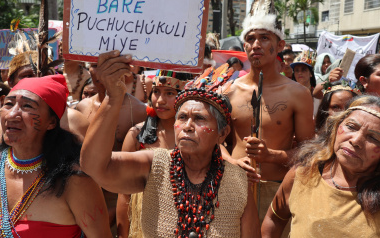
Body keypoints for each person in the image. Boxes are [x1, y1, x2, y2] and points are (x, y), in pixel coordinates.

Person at [81, 50, 261, 238]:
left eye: (199, 119)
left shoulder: (238, 182)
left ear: (223, 133)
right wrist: (113, 97)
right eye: (182, 117)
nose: (187, 126)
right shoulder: (155, 164)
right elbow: (93, 166)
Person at [262, 95, 380, 238]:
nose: (356, 140)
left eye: (373, 138)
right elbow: (274, 219)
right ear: (337, 126)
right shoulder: (303, 175)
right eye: (351, 127)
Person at [223, 0, 315, 236]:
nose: (256, 45)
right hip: (233, 187)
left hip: (279, 191)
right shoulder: (229, 91)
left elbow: (309, 152)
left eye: (264, 38)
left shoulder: (297, 94)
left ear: (280, 44)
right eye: (251, 39)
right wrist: (231, 161)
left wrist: (272, 155)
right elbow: (215, 141)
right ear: (244, 45)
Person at [0, 75, 111, 237]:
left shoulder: (75, 179)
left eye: (27, 106)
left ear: (52, 122)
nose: (12, 114)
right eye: (8, 104)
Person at [116, 70, 190, 238]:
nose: (160, 100)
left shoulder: (193, 136)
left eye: (170, 93)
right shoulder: (136, 135)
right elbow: (124, 193)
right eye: (156, 92)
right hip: (143, 224)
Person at [75, 62, 147, 233]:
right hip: (83, 198)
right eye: (95, 65)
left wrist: (118, 212)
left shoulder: (138, 111)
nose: (102, 71)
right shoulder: (82, 107)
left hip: (120, 199)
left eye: (108, 64)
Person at [0, 51, 90, 151]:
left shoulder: (73, 119)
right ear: (10, 82)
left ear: (52, 122)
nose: (38, 79)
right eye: (28, 76)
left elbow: (91, 164)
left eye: (45, 74)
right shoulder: (2, 115)